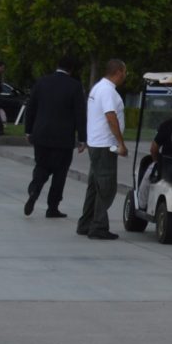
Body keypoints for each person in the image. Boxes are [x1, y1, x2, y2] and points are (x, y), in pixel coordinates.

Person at [22, 56, 84, 218]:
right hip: (63, 138)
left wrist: (28, 130)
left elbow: (31, 108)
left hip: (41, 134)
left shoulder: (42, 82)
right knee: (60, 173)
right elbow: (80, 115)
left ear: (57, 65)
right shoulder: (75, 87)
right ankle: (52, 207)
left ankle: (35, 189)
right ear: (71, 69)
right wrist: (82, 138)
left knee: (41, 166)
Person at [78, 58, 128, 240]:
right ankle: (98, 226)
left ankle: (85, 223)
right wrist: (120, 143)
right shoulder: (107, 91)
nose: (125, 76)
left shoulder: (98, 87)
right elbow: (110, 117)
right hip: (105, 145)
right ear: (119, 72)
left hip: (96, 143)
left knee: (95, 186)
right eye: (125, 72)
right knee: (107, 187)